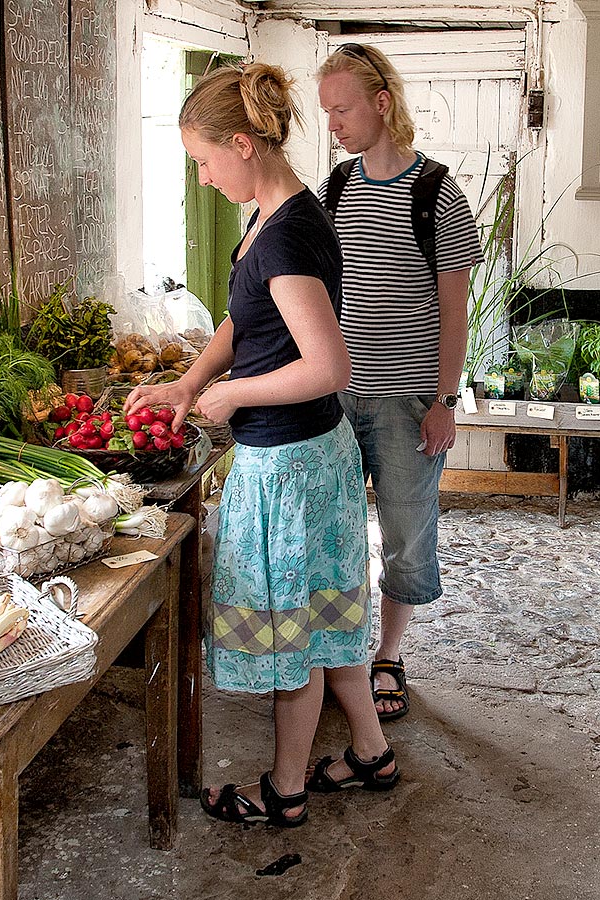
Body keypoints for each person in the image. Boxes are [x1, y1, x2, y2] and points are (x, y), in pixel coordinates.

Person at [129, 62, 397, 828]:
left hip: (292, 467)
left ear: (243, 145)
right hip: (310, 456)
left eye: (205, 162)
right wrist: (189, 382)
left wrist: (233, 395)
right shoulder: (278, 216)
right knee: (325, 618)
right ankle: (370, 753)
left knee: (292, 642)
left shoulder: (283, 239)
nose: (205, 179)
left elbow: (328, 365)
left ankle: (284, 792)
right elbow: (246, 323)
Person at [316, 43, 483, 721]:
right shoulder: (334, 189)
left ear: (381, 104)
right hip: (335, 397)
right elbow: (322, 294)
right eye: (326, 111)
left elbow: (454, 309)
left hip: (409, 398)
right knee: (335, 529)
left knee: (407, 531)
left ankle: (388, 654)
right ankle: (342, 654)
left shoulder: (436, 191)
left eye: (343, 108)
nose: (333, 123)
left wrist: (444, 401)